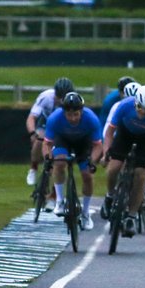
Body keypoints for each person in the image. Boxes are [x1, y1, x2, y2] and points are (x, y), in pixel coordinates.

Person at [103, 84, 145, 237]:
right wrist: (106, 152)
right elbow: (110, 132)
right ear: (135, 102)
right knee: (113, 168)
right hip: (125, 134)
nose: (142, 113)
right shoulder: (124, 105)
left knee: (140, 175)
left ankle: (131, 216)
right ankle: (110, 195)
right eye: (140, 107)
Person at [42, 92, 103, 230]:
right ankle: (59, 201)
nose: (73, 118)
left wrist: (92, 162)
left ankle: (86, 213)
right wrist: (48, 159)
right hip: (63, 140)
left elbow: (98, 146)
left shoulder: (91, 119)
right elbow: (47, 144)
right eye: (69, 115)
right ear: (63, 112)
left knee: (87, 175)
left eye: (76, 114)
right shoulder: (55, 118)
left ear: (81, 111)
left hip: (83, 143)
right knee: (59, 163)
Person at [26, 77, 74, 186]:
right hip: (46, 121)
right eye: (59, 97)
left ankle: (55, 194)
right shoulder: (46, 97)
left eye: (64, 97)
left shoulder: (73, 100)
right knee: (39, 139)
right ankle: (33, 168)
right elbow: (31, 118)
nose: (61, 101)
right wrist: (33, 133)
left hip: (62, 125)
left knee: (59, 162)